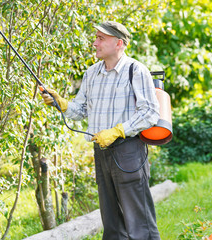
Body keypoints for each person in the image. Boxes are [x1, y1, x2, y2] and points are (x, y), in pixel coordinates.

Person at [41, 21, 161, 240]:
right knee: (112, 223)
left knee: (139, 223)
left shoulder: (136, 70)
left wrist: (117, 131)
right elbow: (80, 110)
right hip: (102, 152)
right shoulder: (91, 74)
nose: (95, 42)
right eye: (96, 37)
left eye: (101, 38)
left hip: (129, 152)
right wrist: (62, 103)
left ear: (119, 43)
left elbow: (150, 112)